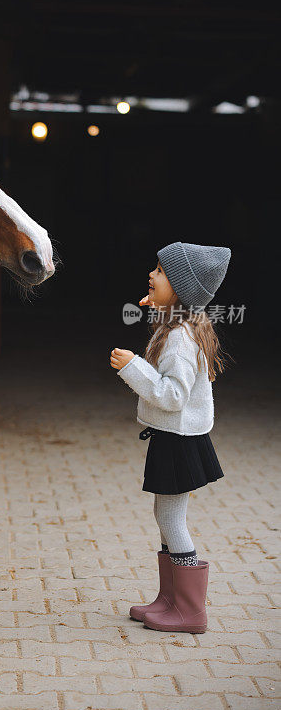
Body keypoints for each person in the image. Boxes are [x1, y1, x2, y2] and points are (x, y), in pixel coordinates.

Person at [110, 242, 231, 634]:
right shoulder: (180, 325)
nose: (151, 274)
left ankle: (191, 610)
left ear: (180, 288)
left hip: (179, 440)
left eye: (161, 272)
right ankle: (170, 600)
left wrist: (132, 367)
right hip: (173, 437)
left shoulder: (181, 337)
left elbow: (172, 395)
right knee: (165, 516)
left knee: (169, 517)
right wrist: (163, 308)